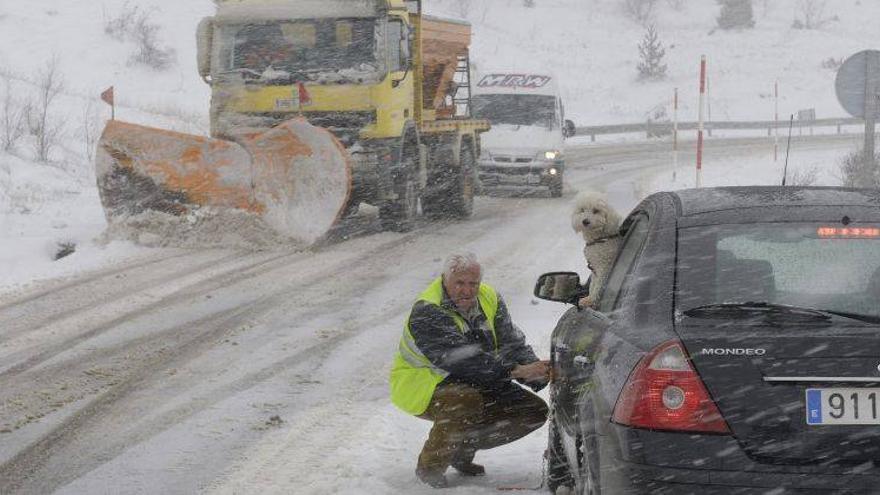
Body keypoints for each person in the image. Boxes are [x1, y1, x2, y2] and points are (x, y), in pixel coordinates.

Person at [389, 252, 551, 488]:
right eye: (459, 283)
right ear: (445, 280)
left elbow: (511, 342)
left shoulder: (489, 297)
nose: (466, 290)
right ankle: (430, 468)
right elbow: (466, 361)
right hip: (422, 384)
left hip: (472, 379)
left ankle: (459, 451)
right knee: (464, 401)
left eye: (472, 283)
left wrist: (538, 373)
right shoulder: (428, 309)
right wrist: (518, 371)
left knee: (531, 411)